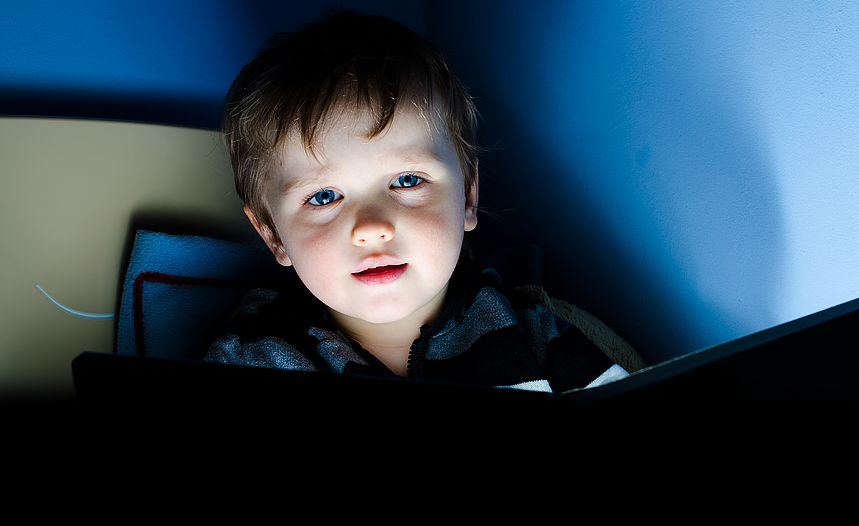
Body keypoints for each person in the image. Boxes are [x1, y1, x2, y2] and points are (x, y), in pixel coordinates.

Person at [205, 9, 644, 391]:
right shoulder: (252, 360)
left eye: (407, 180)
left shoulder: (535, 335)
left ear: (468, 194)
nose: (371, 227)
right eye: (324, 196)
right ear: (272, 234)